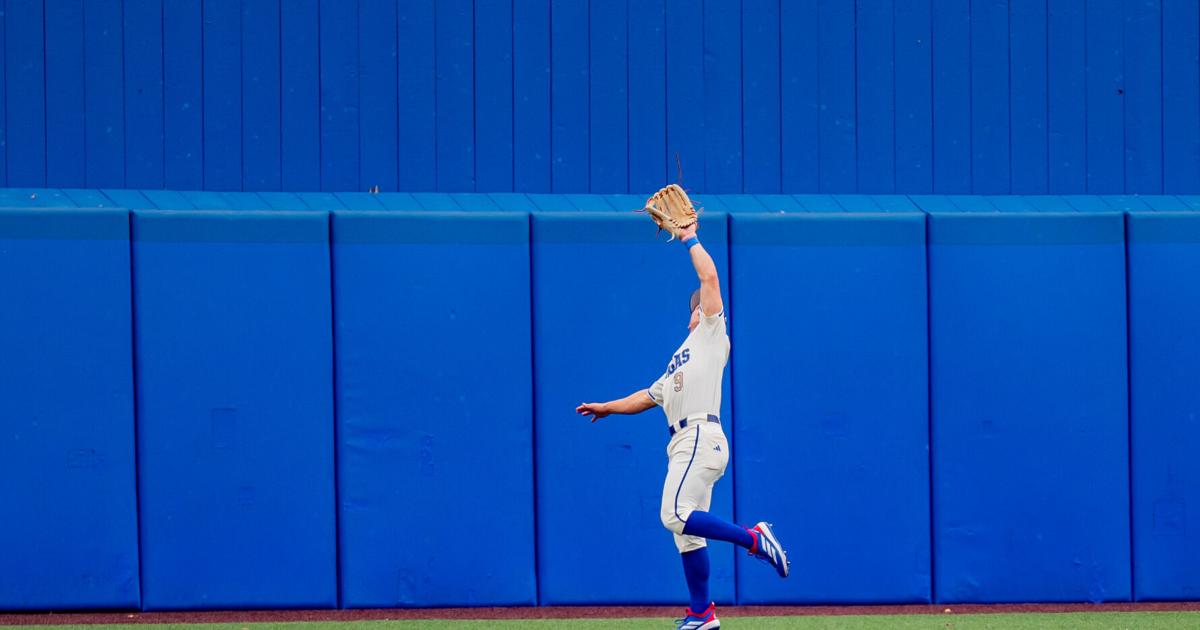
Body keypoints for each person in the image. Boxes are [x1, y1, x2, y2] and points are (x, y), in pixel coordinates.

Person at [576, 219, 790, 630]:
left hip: (699, 436)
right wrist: (607, 407)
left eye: (701, 304)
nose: (699, 308)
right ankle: (702, 614)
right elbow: (647, 396)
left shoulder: (712, 331)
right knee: (688, 534)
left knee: (673, 513)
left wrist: (689, 236)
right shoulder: (680, 356)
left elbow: (708, 275)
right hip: (683, 444)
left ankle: (754, 537)